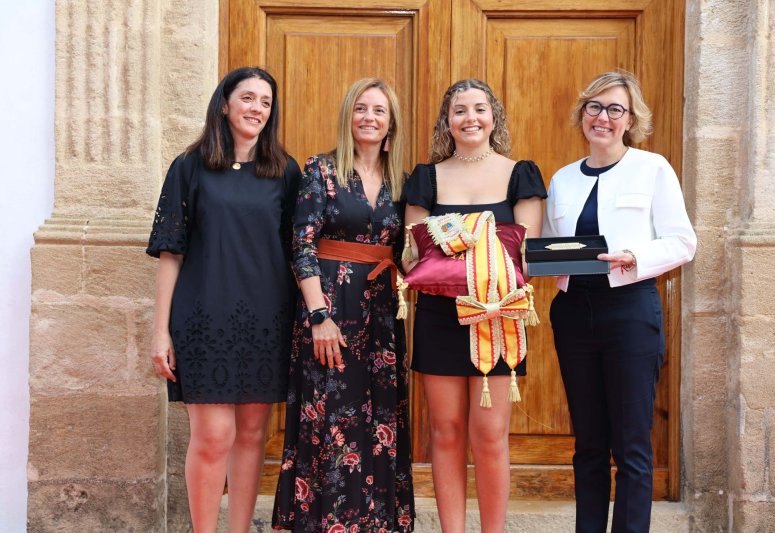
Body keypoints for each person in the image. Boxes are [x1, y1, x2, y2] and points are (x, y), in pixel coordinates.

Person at [146, 67, 301, 533]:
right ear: (225, 104)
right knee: (214, 437)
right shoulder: (189, 167)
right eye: (248, 98)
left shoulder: (284, 171)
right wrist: (160, 330)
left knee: (252, 436)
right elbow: (170, 253)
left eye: (266, 102)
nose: (256, 108)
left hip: (267, 318)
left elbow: (300, 249)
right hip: (203, 318)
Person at [543, 70, 697, 532]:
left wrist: (634, 257)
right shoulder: (563, 179)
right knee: (588, 443)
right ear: (582, 114)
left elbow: (683, 242)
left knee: (631, 444)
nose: (603, 118)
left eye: (615, 109)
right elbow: (550, 245)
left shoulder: (653, 168)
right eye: (594, 107)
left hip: (629, 311)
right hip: (573, 314)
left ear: (630, 119)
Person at [403, 79, 546, 533]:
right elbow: (414, 253)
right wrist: (484, 237)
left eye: (479, 109)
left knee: (489, 435)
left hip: (497, 315)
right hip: (438, 315)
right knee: (444, 432)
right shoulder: (425, 177)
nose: (470, 118)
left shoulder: (520, 173)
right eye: (459, 110)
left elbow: (526, 251)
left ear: (493, 117)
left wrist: (457, 240)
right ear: (447, 121)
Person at [272, 78, 414, 532]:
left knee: (380, 415)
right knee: (328, 415)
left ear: (391, 123)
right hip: (329, 307)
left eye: (379, 111)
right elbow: (302, 246)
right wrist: (318, 316)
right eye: (361, 108)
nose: (369, 118)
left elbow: (410, 248)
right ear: (348, 117)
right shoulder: (322, 169)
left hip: (382, 313)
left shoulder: (403, 180)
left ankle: (376, 524)